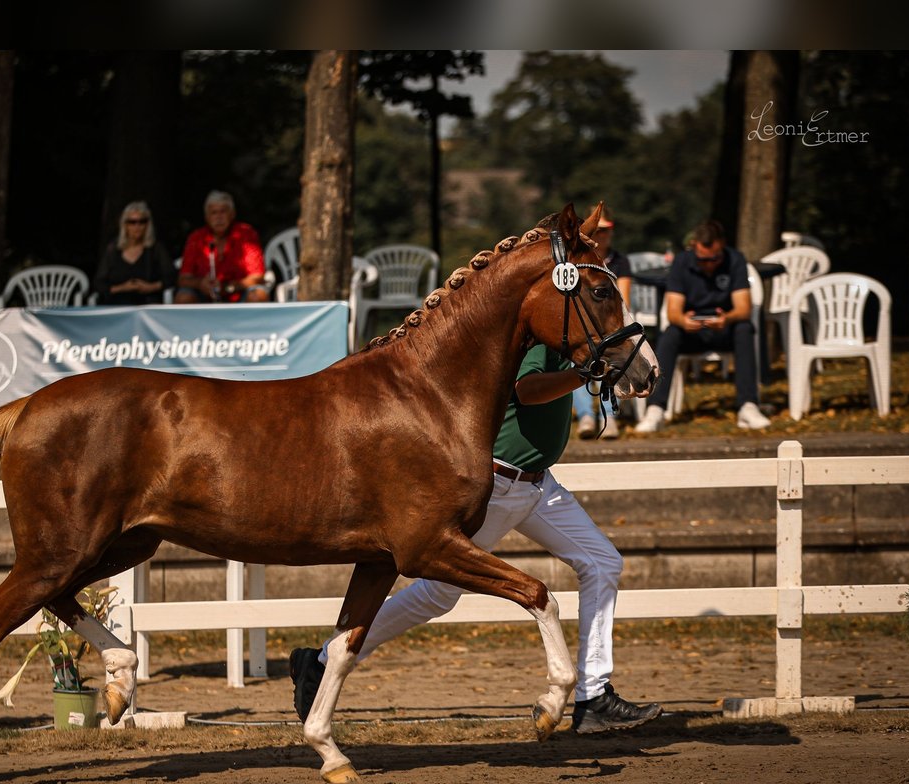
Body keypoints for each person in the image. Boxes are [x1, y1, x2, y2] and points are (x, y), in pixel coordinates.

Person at [289, 342, 663, 736]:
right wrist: (583, 374)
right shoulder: (542, 341)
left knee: (603, 561)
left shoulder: (573, 341)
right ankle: (322, 661)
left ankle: (594, 696)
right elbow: (527, 388)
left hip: (539, 486)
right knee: (438, 593)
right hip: (500, 484)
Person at [634, 219, 770, 432]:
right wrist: (684, 321)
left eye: (714, 259)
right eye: (702, 259)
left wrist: (727, 318)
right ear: (694, 247)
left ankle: (748, 405)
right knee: (670, 334)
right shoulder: (682, 262)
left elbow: (743, 307)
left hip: (724, 328)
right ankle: (656, 410)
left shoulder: (735, 260)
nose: (708, 264)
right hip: (692, 332)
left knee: (744, 329)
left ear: (722, 246)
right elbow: (672, 311)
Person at [572, 208, 631, 440]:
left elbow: (623, 298)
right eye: (598, 231)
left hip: (610, 321)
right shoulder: (580, 262)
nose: (602, 235)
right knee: (575, 359)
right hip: (587, 324)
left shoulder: (619, 261)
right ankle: (586, 415)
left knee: (614, 357)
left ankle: (610, 416)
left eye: (606, 231)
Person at [174, 190, 268, 304]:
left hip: (238, 296)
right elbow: (183, 279)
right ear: (207, 217)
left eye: (223, 212)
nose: (219, 217)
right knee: (184, 297)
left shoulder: (246, 234)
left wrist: (228, 287)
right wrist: (200, 284)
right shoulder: (196, 238)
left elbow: (258, 276)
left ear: (232, 214)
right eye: (214, 213)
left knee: (258, 295)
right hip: (204, 298)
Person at [93, 201, 177, 306]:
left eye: (142, 222)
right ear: (125, 225)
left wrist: (152, 287)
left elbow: (172, 276)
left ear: (148, 225)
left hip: (147, 303)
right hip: (116, 304)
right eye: (132, 222)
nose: (137, 226)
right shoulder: (113, 249)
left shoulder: (156, 249)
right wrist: (123, 288)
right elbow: (99, 283)